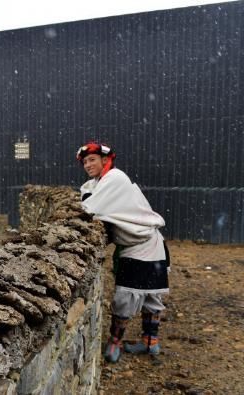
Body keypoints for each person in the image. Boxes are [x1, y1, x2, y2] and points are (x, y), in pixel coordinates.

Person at [76, 141, 170, 363]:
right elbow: (87, 196)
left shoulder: (115, 178)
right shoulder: (98, 183)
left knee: (139, 297)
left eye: (93, 160)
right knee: (130, 297)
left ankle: (137, 342)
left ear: (106, 160)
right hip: (135, 243)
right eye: (85, 162)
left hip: (145, 242)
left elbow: (88, 208)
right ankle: (139, 343)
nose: (88, 165)